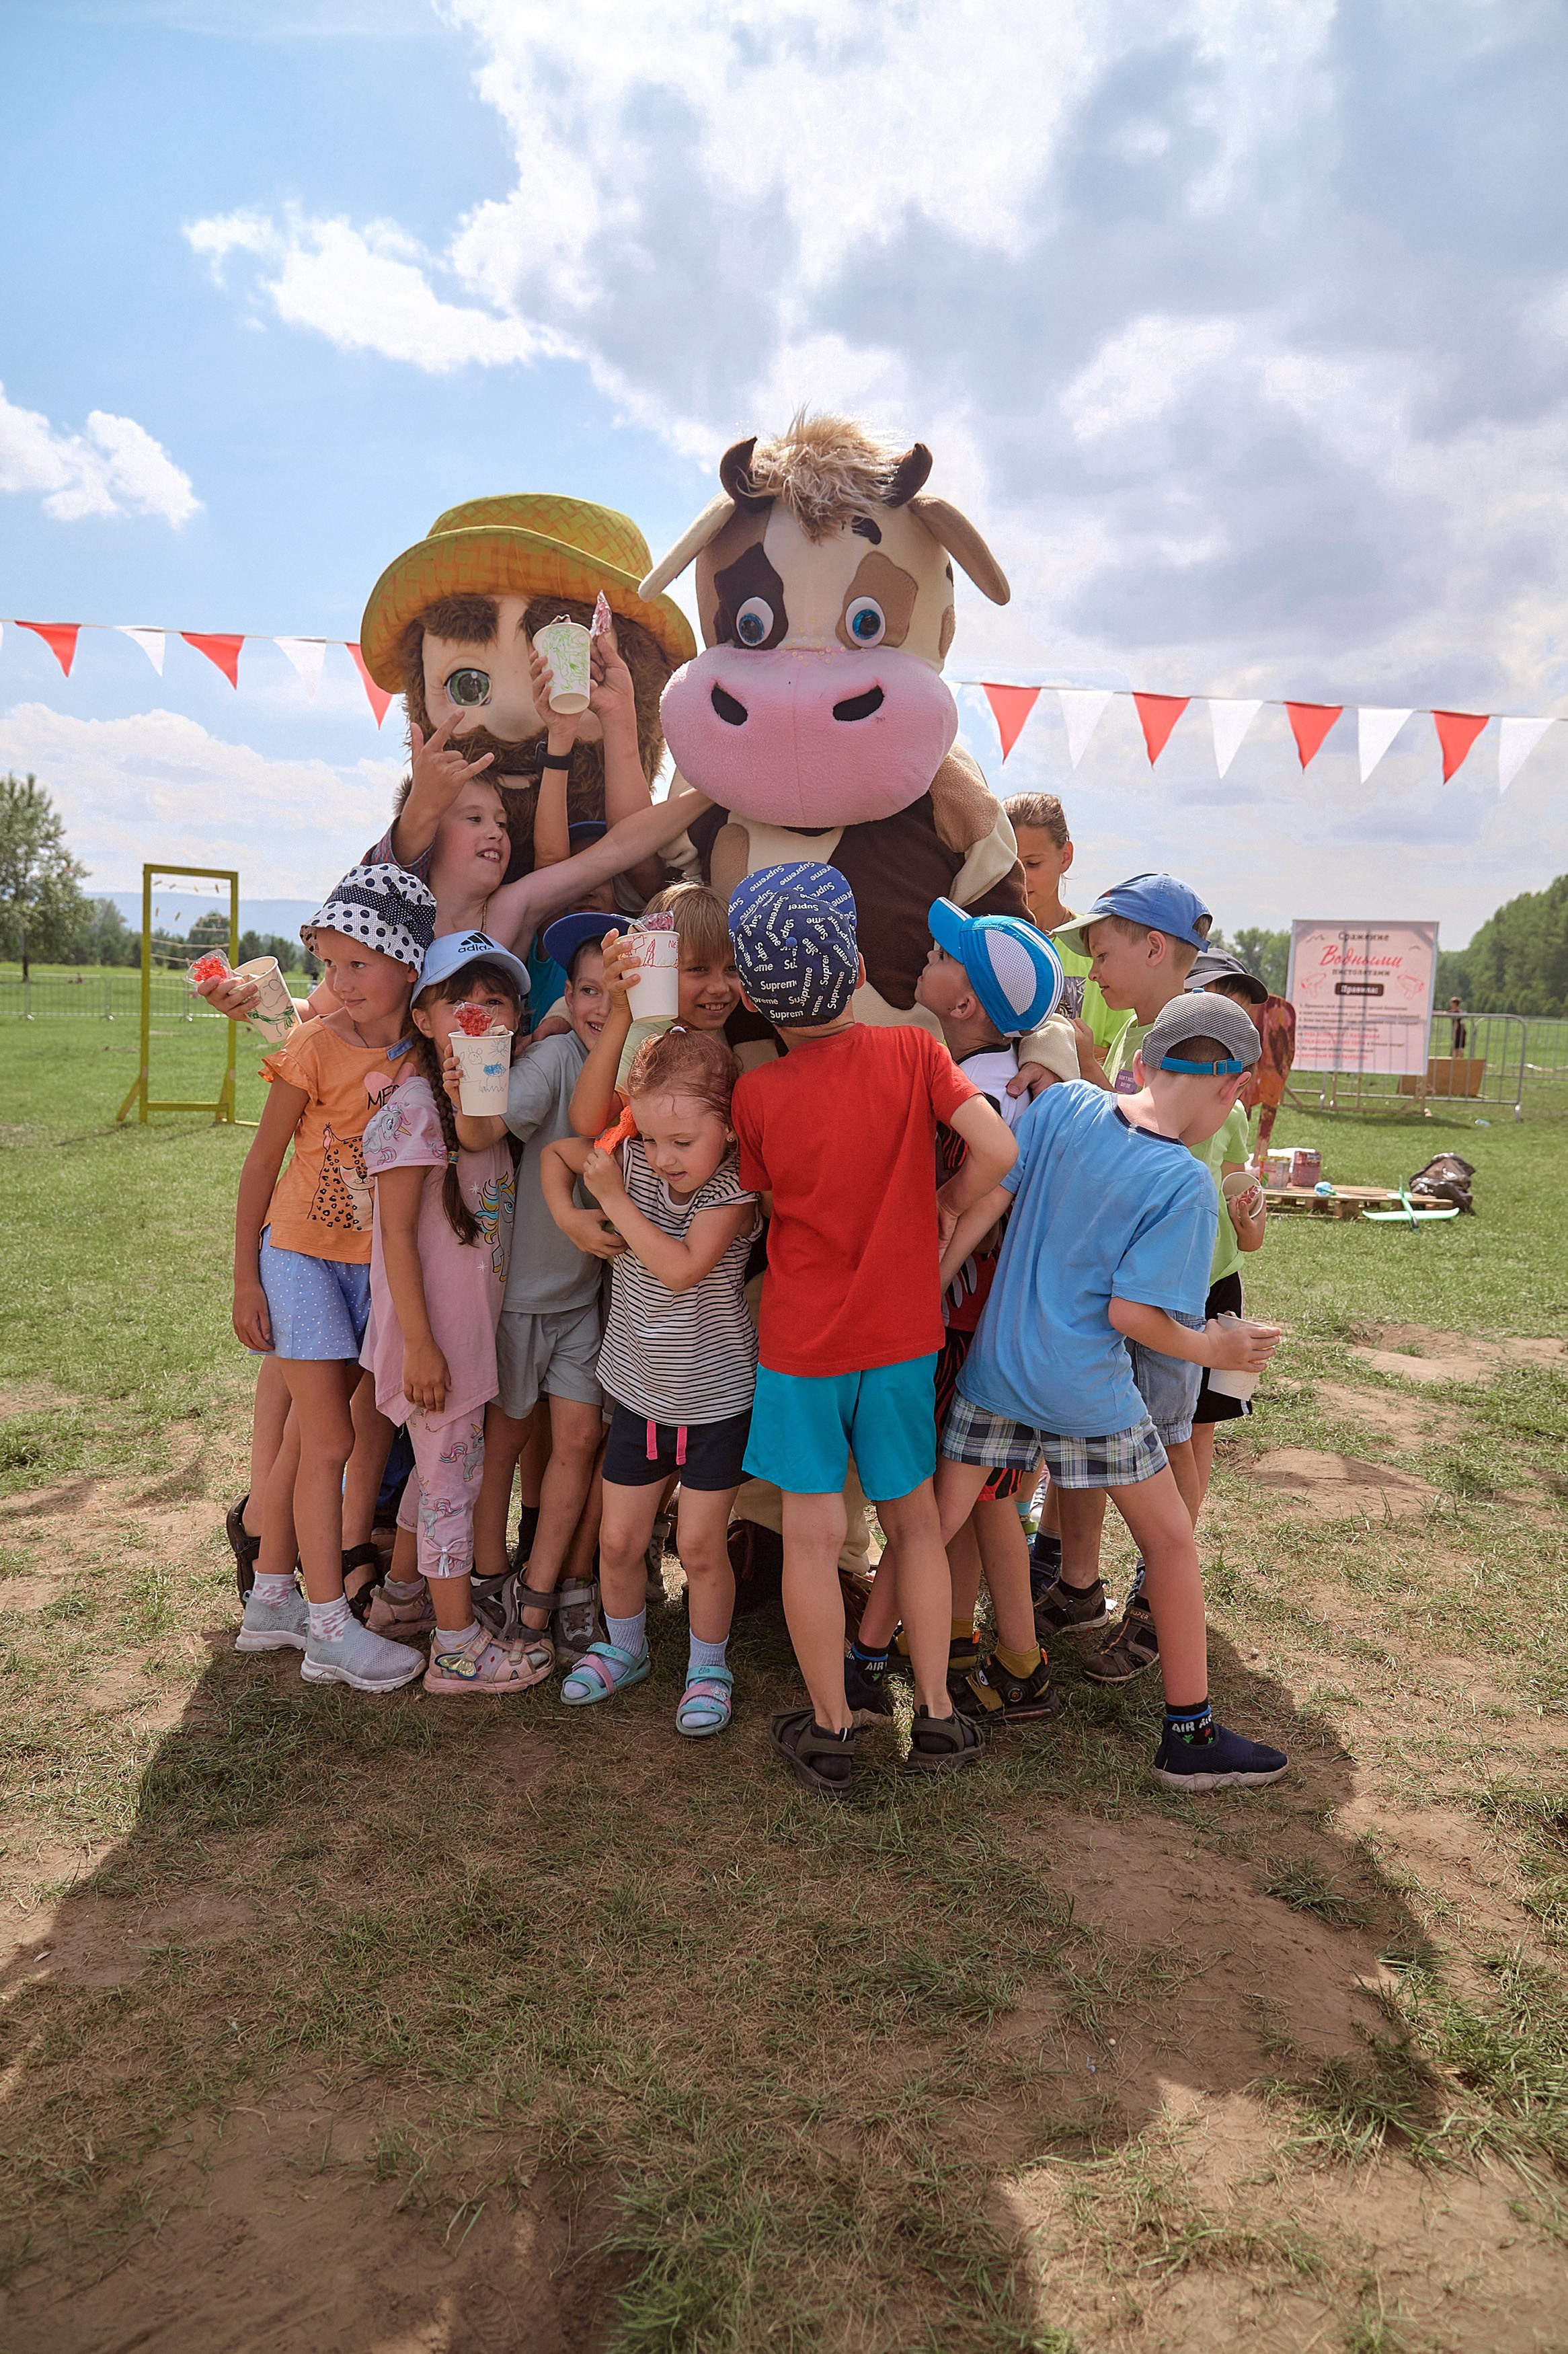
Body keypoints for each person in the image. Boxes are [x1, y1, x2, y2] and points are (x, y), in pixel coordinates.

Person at [935, 994, 1288, 1791]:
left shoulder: (1062, 1104)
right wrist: (1216, 1345)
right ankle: (1189, 1736)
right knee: (1169, 1542)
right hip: (1088, 1392)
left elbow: (986, 1199)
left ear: (1144, 1061)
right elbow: (1134, 1316)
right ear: (1231, 1089)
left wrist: (930, 1284)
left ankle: (857, 1673)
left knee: (932, 1525)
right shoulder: (1184, 1181)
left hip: (995, 1369)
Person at [726, 863, 1018, 1798]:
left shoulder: (756, 1096)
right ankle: (934, 1711)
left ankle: (830, 1726)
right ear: (855, 967)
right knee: (915, 1526)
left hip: (802, 1345)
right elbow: (999, 1147)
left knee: (812, 1537)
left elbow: (771, 1204)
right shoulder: (916, 1054)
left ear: (749, 995)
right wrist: (947, 1199)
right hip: (903, 1336)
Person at [849, 897, 1065, 1727]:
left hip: (960, 1326)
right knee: (987, 1494)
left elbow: (954, 1214)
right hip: (1002, 1324)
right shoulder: (1010, 1081)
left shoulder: (976, 1096)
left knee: (947, 1494)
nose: (927, 955)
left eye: (944, 955)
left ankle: (973, 1653)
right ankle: (977, 1644)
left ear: (966, 1000)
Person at [231, 866, 434, 1694]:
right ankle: (328, 1630)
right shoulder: (312, 1045)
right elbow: (260, 1164)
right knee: (329, 1442)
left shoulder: (429, 1052)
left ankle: (271, 1597)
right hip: (300, 1258)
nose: (340, 983)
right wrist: (246, 1278)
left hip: (372, 1271)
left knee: (314, 1440)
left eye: (359, 964)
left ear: (408, 964)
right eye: (329, 964)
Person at [541, 1028, 760, 1733]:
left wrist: (614, 1199)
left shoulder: (734, 1188)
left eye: (683, 1142)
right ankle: (624, 1647)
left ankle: (708, 1668)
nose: (663, 1158)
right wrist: (570, 1216)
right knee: (616, 1541)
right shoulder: (630, 1157)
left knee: (699, 1547)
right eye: (652, 1138)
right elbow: (556, 1153)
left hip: (715, 1401)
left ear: (728, 1130)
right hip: (638, 1392)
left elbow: (681, 1269)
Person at [357, 932, 548, 1694]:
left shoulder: (488, 1113)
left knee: (438, 1475)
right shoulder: (411, 1110)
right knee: (451, 1491)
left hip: (461, 1342)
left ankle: (404, 1599)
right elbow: (396, 1237)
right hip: (433, 1345)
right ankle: (458, 1649)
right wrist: (421, 1346)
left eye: (494, 1000)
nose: (477, 1012)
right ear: (424, 1018)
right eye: (457, 1000)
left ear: (515, 1022)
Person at [1040, 874, 1216, 1675]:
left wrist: (1083, 1074)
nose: (1095, 970)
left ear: (1153, 948)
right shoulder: (1136, 1033)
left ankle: (1156, 1599)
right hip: (1121, 1278)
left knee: (1167, 1437)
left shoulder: (1198, 1037)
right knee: (1091, 1431)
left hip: (1165, 1285)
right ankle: (1079, 1582)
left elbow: (1167, 1148)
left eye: (1102, 953)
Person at [469, 914, 629, 1665]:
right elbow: (488, 1126)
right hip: (518, 1298)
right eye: (587, 990)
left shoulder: (644, 1068)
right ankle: (486, 1576)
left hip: (580, 1302)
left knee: (579, 1440)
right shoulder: (557, 1057)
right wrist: (480, 1063)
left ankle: (542, 1591)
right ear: (568, 994)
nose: (599, 1005)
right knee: (503, 1439)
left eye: (615, 991)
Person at [1182, 951, 1270, 1514]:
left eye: (1240, 1018)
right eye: (1219, 1008)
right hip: (1159, 1283)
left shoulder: (1232, 1113)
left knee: (1198, 1426)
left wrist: (1249, 1220)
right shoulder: (1149, 1095)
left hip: (1216, 1283)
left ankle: (1171, 1554)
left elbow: (1248, 1220)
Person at [567, 883, 742, 1139]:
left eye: (732, 968)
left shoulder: (725, 1022)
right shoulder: (648, 1040)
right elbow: (587, 1122)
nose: (719, 988)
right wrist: (621, 1011)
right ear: (655, 968)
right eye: (698, 969)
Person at [1004, 790, 1129, 1075]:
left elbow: (1123, 1053)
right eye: (1010, 863)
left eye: (1033, 864)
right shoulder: (981, 942)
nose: (1020, 876)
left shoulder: (1099, 945)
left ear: (1065, 857)